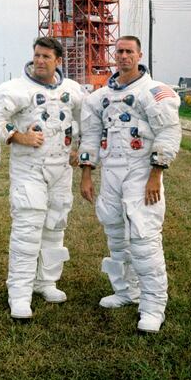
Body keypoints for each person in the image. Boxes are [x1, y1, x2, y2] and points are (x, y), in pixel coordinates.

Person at [79, 35, 181, 333]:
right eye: (119, 51)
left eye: (128, 52)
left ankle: (152, 306)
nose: (123, 56)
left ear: (139, 55)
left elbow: (168, 134)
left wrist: (156, 174)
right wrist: (86, 173)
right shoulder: (99, 98)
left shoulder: (155, 92)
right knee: (115, 233)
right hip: (112, 172)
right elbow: (90, 135)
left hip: (140, 172)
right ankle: (126, 291)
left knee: (143, 237)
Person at [0, 37, 85, 319]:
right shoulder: (16, 89)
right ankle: (19, 295)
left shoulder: (72, 89)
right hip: (30, 168)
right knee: (28, 229)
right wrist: (18, 136)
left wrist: (80, 149)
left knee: (55, 226)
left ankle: (46, 282)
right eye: (37, 55)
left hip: (61, 169)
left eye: (46, 57)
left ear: (58, 61)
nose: (40, 61)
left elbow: (88, 119)